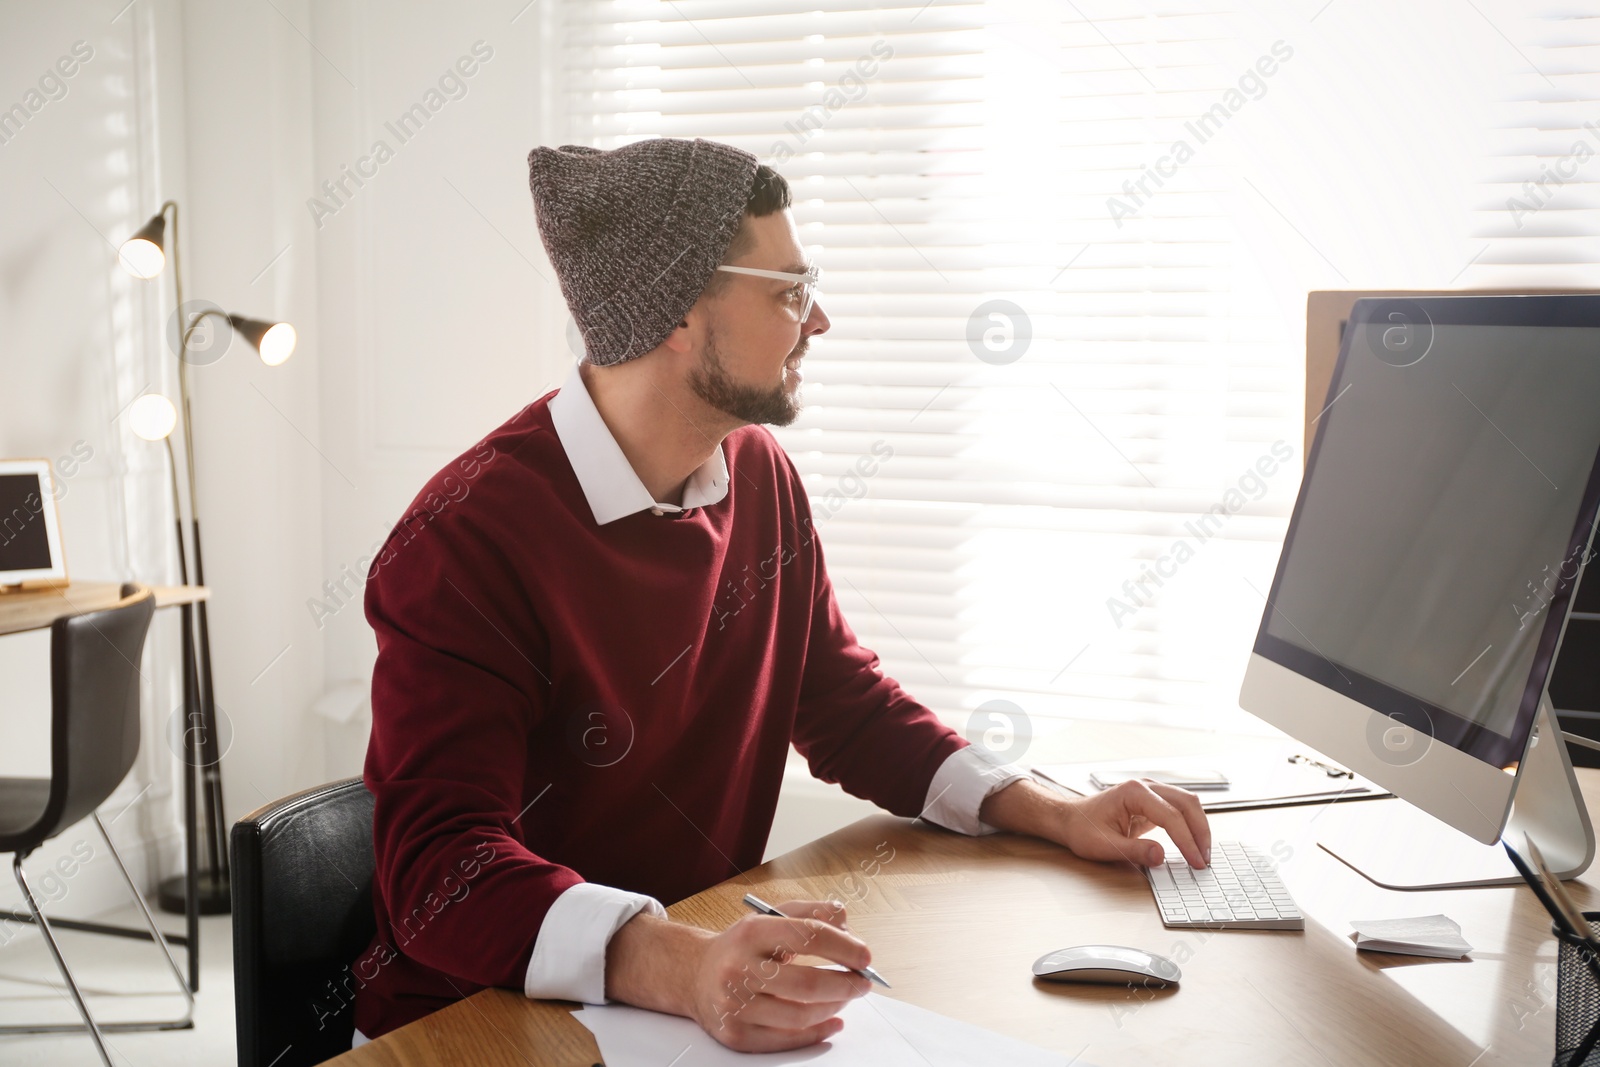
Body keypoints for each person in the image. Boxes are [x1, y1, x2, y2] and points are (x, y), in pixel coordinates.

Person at [348, 137, 1212, 1053]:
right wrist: (679, 963)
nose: (821, 319)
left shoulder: (757, 472)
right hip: (475, 1025)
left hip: (684, 1001)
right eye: (790, 291)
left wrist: (1048, 809)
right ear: (678, 312)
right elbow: (439, 874)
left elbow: (840, 701)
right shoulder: (463, 536)